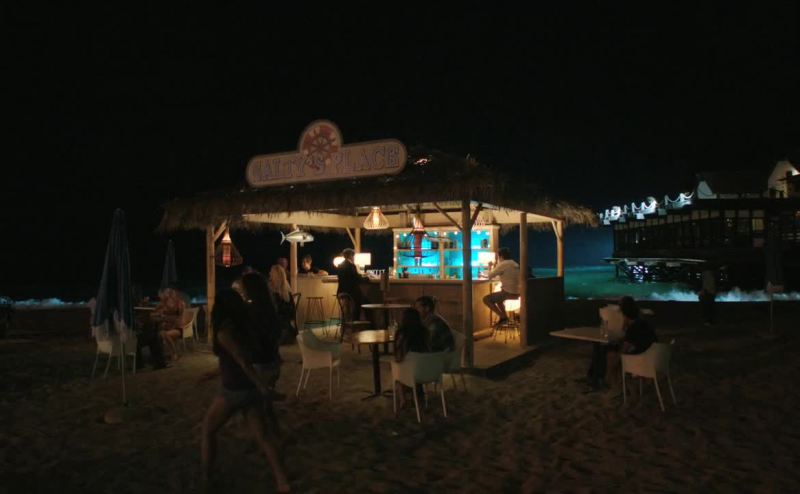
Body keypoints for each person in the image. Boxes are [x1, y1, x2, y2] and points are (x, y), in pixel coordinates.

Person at [197, 289, 290, 492]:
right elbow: (234, 361)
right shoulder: (244, 327)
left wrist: (262, 387)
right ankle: (282, 481)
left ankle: (206, 478)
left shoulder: (224, 331)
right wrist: (212, 374)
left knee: (208, 430)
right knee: (263, 436)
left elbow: (242, 360)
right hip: (248, 388)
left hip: (234, 390)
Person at [241, 272, 285, 425]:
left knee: (255, 406)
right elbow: (278, 335)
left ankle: (268, 435)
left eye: (243, 288)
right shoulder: (270, 308)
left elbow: (250, 341)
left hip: (260, 364)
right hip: (273, 362)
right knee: (265, 404)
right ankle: (273, 431)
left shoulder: (251, 312)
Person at [587, 296, 656, 391]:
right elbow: (631, 339)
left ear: (624, 313)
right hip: (653, 357)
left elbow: (624, 349)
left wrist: (615, 357)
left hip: (641, 360)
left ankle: (605, 379)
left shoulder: (634, 327)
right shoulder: (643, 323)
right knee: (608, 349)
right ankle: (600, 377)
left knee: (610, 354)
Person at [393, 308, 430, 408]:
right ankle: (417, 395)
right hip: (427, 371)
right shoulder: (424, 332)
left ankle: (403, 398)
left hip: (409, 372)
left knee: (398, 369)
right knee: (412, 366)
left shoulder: (401, 333)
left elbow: (398, 355)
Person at [482, 247, 521, 326]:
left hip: (508, 292)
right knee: (499, 300)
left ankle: (503, 317)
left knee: (486, 299)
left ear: (501, 256)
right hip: (518, 293)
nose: (498, 259)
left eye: (498, 257)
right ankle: (504, 318)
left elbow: (490, 276)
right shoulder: (514, 263)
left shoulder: (503, 264)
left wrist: (489, 266)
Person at [153, 288, 185, 361]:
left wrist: (165, 318)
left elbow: (179, 319)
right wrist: (160, 315)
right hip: (166, 328)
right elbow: (154, 313)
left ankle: (174, 354)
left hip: (177, 328)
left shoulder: (179, 304)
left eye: (171, 294)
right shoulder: (162, 304)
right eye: (167, 295)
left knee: (165, 334)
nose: (170, 297)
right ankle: (162, 355)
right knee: (161, 334)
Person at [268, 264, 297, 344]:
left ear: (274, 275)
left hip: (278, 328)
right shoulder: (286, 290)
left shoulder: (273, 292)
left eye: (271, 272)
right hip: (287, 326)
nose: (269, 273)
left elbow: (272, 311)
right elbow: (292, 312)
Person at [336, 248, 366, 320]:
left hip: (341, 291)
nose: (354, 258)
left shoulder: (340, 265)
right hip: (350, 291)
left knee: (348, 307)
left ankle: (346, 320)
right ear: (350, 256)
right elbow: (356, 278)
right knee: (363, 300)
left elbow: (351, 277)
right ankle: (356, 320)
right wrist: (366, 278)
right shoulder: (351, 266)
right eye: (353, 256)